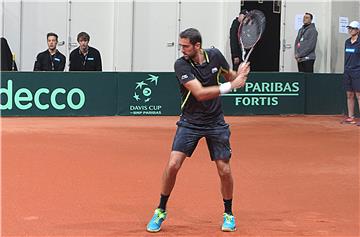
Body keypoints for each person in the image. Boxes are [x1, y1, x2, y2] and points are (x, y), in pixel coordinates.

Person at [146, 28, 250, 233]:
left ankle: (228, 214)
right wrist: (231, 84)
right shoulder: (181, 64)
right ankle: (160, 210)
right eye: (181, 45)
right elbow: (200, 93)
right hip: (190, 122)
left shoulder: (216, 56)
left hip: (215, 122)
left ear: (197, 46)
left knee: (225, 169)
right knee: (173, 165)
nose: (182, 49)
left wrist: (242, 75)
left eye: (185, 46)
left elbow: (232, 78)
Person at [342, 21, 360, 125]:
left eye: (352, 28)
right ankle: (350, 117)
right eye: (349, 28)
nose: (350, 30)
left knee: (358, 94)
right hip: (347, 72)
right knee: (349, 94)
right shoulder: (347, 42)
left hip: (357, 71)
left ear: (357, 30)